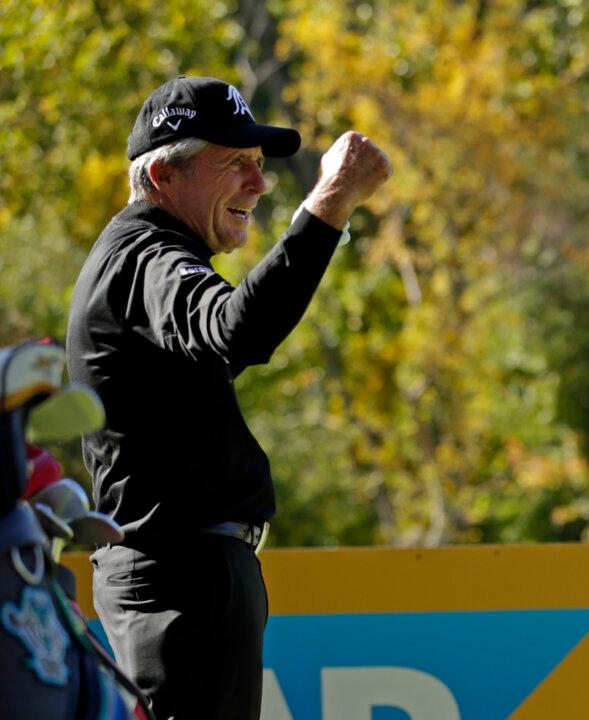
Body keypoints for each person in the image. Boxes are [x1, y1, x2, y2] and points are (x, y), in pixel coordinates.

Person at [66, 75, 391, 719]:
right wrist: (331, 202)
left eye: (259, 163)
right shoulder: (145, 257)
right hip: (180, 581)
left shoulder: (144, 257)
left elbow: (227, 338)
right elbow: (238, 330)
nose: (259, 183)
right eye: (235, 162)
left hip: (185, 577)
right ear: (162, 176)